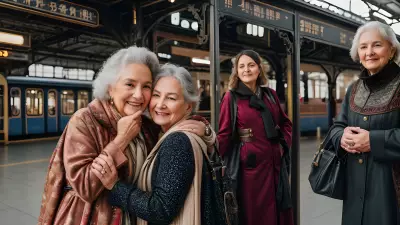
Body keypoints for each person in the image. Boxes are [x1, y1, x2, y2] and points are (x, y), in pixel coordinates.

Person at [37, 47, 213, 225]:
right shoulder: (85, 121)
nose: (138, 95)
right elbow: (85, 188)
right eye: (130, 84)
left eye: (146, 86)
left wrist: (202, 127)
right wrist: (121, 139)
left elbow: (178, 127)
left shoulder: (147, 126)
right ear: (111, 88)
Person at [92, 64, 225, 225]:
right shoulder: (179, 132)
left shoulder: (177, 142)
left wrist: (115, 186)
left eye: (171, 98)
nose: (160, 104)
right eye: (156, 95)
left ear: (188, 106)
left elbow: (160, 210)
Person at [326, 21, 400, 225]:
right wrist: (342, 137)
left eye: (377, 45)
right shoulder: (353, 89)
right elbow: (336, 127)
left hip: (390, 192)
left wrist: (373, 141)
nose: (370, 52)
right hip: (354, 189)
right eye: (363, 47)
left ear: (391, 49)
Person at [217, 50, 293, 225]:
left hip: (274, 163)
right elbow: (224, 134)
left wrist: (283, 145)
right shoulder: (231, 98)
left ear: (259, 69)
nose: (246, 70)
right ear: (236, 71)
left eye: (251, 65)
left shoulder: (270, 95)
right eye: (241, 66)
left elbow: (286, 124)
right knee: (254, 213)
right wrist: (210, 160)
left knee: (279, 206)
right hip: (249, 168)